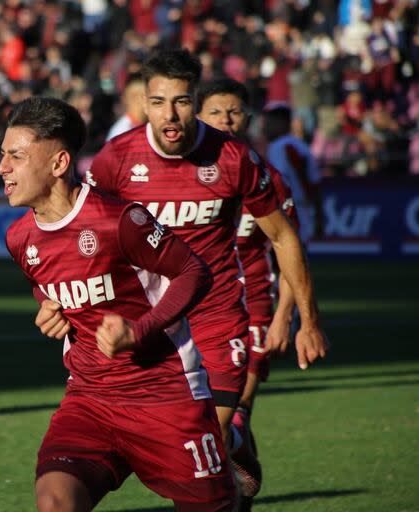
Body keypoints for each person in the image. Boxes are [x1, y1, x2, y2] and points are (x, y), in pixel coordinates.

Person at [73, 48, 327, 494]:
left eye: (181, 101)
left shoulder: (232, 158)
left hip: (216, 316)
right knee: (182, 453)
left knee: (204, 450)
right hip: (148, 321)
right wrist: (59, 298)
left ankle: (229, 445)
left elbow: (284, 238)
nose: (169, 114)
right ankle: (233, 449)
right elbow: (80, 234)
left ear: (194, 99)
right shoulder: (116, 158)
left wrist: (307, 319)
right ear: (143, 103)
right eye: (157, 102)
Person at [0, 96, 235, 511]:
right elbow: (44, 287)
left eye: (16, 157)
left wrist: (139, 330)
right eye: (3, 156)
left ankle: (230, 445)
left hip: (164, 396)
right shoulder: (19, 238)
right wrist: (49, 306)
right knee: (55, 501)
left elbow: (193, 272)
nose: (2, 168)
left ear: (58, 164)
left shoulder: (119, 219)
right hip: (89, 399)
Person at [197, 78, 299, 510]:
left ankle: (234, 474)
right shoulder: (180, 175)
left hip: (253, 310)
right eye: (216, 111)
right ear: (198, 116)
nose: (226, 120)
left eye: (235, 111)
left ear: (249, 117)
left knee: (231, 413)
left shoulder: (264, 175)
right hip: (195, 315)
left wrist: (285, 317)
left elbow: (291, 250)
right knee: (205, 427)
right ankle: (238, 467)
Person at [264, 102, 324, 245]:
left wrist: (318, 215)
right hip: (295, 207)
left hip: (292, 208)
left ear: (283, 122)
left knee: (292, 254)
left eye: (270, 121)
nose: (265, 126)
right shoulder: (296, 144)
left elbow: (307, 181)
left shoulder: (284, 146)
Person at [105, 72, 147, 141]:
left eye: (144, 95)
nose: (140, 101)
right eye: (135, 96)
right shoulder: (121, 133)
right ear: (124, 98)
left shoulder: (148, 127)